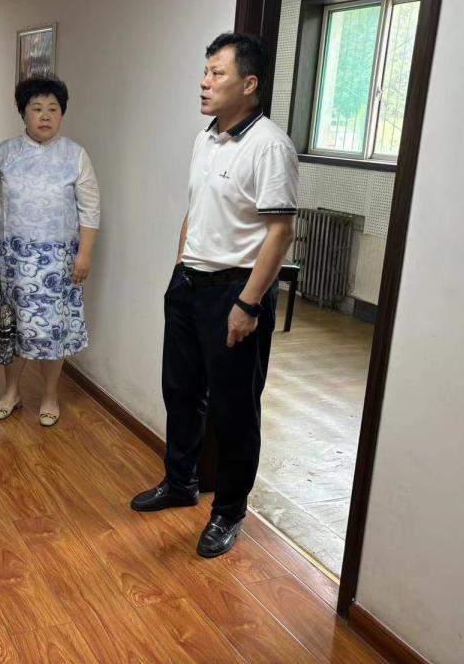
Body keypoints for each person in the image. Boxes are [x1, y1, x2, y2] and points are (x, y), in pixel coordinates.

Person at [131, 33, 298, 559]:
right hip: (189, 286)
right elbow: (196, 209)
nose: (204, 82)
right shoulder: (206, 138)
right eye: (205, 72)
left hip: (235, 291)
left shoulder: (269, 146)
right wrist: (179, 268)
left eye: (217, 73)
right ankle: (181, 482)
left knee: (234, 411)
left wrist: (248, 304)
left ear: (249, 84)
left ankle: (228, 511)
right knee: (181, 392)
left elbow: (280, 233)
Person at [0, 75, 100, 427]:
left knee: (52, 331)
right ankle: (11, 392)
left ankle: (49, 395)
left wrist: (84, 254)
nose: (45, 116)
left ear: (62, 114)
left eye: (53, 109)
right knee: (12, 327)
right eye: (37, 108)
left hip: (58, 263)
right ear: (23, 113)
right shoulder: (4, 153)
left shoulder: (76, 156)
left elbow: (90, 210)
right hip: (11, 259)